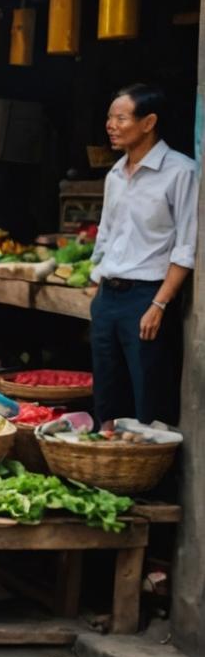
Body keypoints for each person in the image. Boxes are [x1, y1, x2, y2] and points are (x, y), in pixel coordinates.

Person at [88, 83, 195, 426]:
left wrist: (160, 304)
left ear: (148, 123)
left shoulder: (181, 172)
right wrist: (96, 280)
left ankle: (151, 477)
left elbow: (187, 243)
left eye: (121, 118)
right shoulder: (115, 175)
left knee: (149, 394)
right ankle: (110, 471)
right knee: (108, 393)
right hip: (108, 297)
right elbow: (106, 233)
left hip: (147, 297)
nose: (111, 125)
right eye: (109, 117)